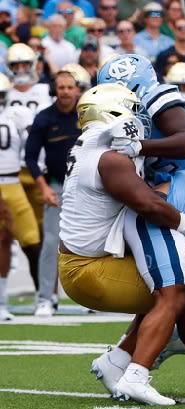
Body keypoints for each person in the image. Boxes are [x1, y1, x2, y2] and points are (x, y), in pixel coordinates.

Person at [59, 84, 185, 405]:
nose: (138, 117)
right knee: (178, 291)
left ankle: (117, 363)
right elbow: (148, 204)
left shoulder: (90, 146)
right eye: (131, 109)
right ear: (113, 113)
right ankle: (145, 377)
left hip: (85, 262)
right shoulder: (108, 157)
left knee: (176, 287)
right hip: (89, 270)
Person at [24, 71, 81, 317]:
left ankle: (94, 297)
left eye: (70, 87)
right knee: (50, 242)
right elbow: (30, 156)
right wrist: (44, 187)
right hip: (57, 186)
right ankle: (45, 298)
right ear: (54, 90)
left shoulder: (88, 115)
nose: (66, 91)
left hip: (87, 187)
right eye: (61, 87)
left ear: (77, 89)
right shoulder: (44, 118)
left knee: (98, 242)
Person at [0, 73, 39, 321]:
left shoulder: (17, 114)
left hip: (15, 182)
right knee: (2, 242)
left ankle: (46, 297)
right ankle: (2, 302)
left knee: (32, 241)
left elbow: (35, 145)